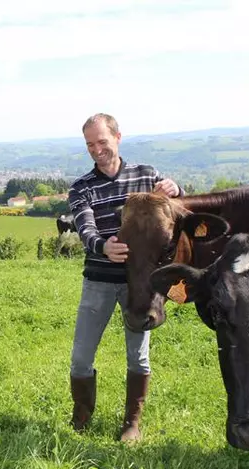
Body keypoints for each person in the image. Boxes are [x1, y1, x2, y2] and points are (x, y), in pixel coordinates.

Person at [67, 113, 183, 441]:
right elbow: (84, 227)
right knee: (81, 357)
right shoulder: (81, 188)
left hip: (140, 284)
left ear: (118, 137)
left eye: (102, 141)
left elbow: (175, 208)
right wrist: (103, 246)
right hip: (100, 281)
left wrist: (176, 189)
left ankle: (132, 423)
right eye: (90, 144)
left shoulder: (146, 176)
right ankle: (82, 416)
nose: (96, 149)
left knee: (138, 354)